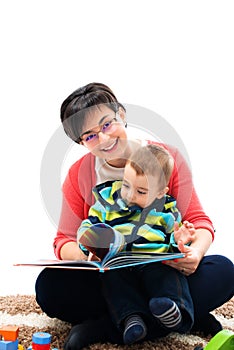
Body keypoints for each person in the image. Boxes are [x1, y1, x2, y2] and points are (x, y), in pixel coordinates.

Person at [35, 82, 234, 350]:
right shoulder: (79, 175)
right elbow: (64, 240)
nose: (104, 139)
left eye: (107, 124)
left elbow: (199, 221)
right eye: (90, 136)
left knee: (224, 271)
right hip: (113, 279)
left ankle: (104, 328)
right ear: (80, 142)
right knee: (50, 287)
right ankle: (182, 316)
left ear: (122, 115)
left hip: (163, 274)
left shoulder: (166, 158)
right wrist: (86, 256)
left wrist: (194, 252)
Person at [78, 144, 196, 345]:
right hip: (120, 264)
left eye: (141, 192)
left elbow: (172, 246)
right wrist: (93, 244)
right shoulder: (107, 202)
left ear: (160, 192)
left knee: (169, 276)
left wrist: (180, 242)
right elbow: (86, 228)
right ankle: (132, 319)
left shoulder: (167, 212)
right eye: (126, 185)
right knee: (112, 279)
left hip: (154, 265)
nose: (130, 195)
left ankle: (173, 311)